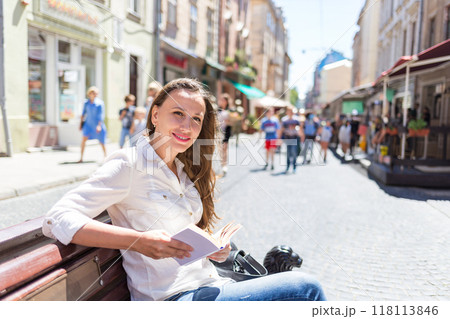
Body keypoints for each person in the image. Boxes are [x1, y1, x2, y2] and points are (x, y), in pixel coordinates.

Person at [42, 78, 326, 301]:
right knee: (306, 289)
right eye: (177, 113)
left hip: (210, 285)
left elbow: (179, 237)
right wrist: (138, 240)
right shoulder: (129, 164)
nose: (187, 126)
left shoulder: (181, 169)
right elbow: (57, 218)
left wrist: (214, 249)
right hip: (174, 299)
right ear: (155, 115)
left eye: (196, 119)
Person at [79, 86, 107, 163]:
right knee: (83, 140)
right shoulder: (86, 103)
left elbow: (101, 115)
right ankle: (81, 158)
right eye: (92, 93)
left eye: (95, 93)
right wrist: (81, 124)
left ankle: (106, 156)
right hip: (88, 124)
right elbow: (83, 114)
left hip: (97, 124)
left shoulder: (100, 103)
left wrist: (99, 125)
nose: (94, 94)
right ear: (89, 93)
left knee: (102, 141)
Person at [281, 107, 301, 173]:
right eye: (289, 111)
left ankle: (294, 167)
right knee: (288, 153)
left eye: (291, 111)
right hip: (287, 138)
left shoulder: (296, 119)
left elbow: (300, 128)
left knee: (294, 152)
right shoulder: (284, 120)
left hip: (294, 137)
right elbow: (282, 129)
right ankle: (288, 166)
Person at [217, 93, 232, 176]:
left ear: (226, 101)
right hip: (218, 131)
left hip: (226, 131)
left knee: (224, 148)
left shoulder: (230, 111)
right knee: (220, 148)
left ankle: (224, 165)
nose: (221, 101)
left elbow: (233, 121)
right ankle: (221, 163)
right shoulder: (217, 110)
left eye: (223, 100)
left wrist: (229, 121)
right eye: (221, 100)